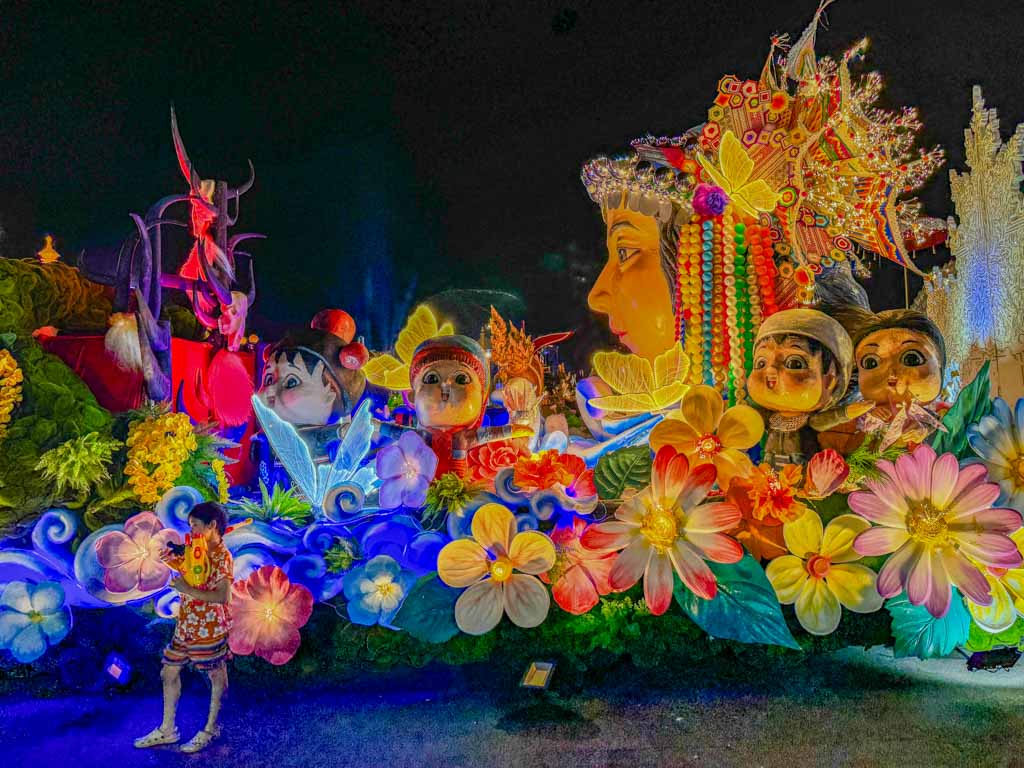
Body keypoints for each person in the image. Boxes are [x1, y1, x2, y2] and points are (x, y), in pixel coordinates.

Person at [134, 502, 234, 754]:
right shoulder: (194, 549)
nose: (191, 531)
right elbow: (182, 567)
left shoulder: (222, 556)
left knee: (216, 676)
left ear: (212, 525)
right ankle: (167, 729)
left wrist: (187, 589)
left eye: (195, 525)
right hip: (186, 624)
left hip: (209, 626)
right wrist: (170, 556)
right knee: (168, 672)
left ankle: (211, 729)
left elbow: (223, 596)